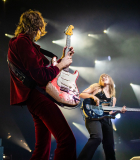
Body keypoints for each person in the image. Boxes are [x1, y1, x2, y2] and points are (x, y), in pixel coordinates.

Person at [7, 10, 76, 160]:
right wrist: (61, 65)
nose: (40, 33)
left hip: (35, 98)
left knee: (42, 150)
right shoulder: (22, 42)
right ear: (36, 26)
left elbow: (46, 71)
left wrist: (62, 60)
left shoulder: (24, 44)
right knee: (67, 141)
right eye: (39, 29)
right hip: (38, 97)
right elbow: (39, 75)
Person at [77, 73, 127, 160]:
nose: (103, 77)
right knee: (97, 137)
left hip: (106, 120)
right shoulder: (96, 87)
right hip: (93, 117)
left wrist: (119, 111)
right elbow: (82, 94)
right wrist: (92, 96)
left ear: (110, 80)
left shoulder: (113, 98)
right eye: (102, 77)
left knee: (109, 146)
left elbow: (110, 113)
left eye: (106, 76)